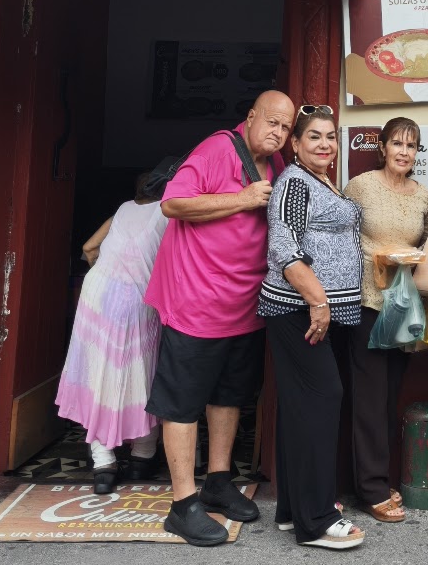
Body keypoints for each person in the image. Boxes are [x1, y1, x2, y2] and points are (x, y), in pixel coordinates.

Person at [144, 91, 292, 547]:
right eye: (271, 122)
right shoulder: (216, 149)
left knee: (229, 396)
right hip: (196, 301)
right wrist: (242, 198)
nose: (278, 133)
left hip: (244, 304)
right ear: (250, 117)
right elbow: (173, 203)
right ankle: (182, 503)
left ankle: (218, 482)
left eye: (285, 127)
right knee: (183, 402)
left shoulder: (277, 163)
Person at [259, 104, 369, 551]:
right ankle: (318, 520)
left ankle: (294, 509)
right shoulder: (294, 182)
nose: (325, 144)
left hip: (316, 311)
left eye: (330, 136)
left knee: (302, 406)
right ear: (296, 144)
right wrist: (318, 301)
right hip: (297, 310)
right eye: (314, 136)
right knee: (322, 399)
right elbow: (283, 246)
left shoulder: (320, 180)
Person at [56, 170, 169, 494]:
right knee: (141, 374)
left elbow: (89, 247)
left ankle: (103, 462)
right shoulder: (168, 213)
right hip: (139, 299)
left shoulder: (122, 209)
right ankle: (142, 456)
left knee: (98, 374)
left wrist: (108, 274)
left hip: (98, 294)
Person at [343, 117, 428, 523]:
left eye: (411, 146)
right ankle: (372, 489)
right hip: (366, 300)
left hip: (402, 305)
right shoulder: (361, 186)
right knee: (368, 396)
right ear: (382, 147)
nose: (403, 152)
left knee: (390, 393)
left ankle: (376, 478)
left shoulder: (422, 194)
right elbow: (339, 236)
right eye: (397, 143)